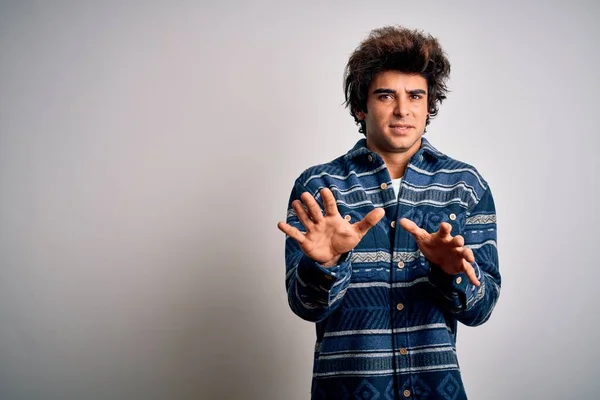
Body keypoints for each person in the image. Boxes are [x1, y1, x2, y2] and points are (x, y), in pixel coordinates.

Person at [277, 25, 501, 399]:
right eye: (385, 95)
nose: (402, 109)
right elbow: (305, 307)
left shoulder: (466, 185)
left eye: (415, 95)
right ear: (360, 107)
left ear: (429, 106)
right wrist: (325, 265)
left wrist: (453, 275)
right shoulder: (319, 187)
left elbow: (482, 308)